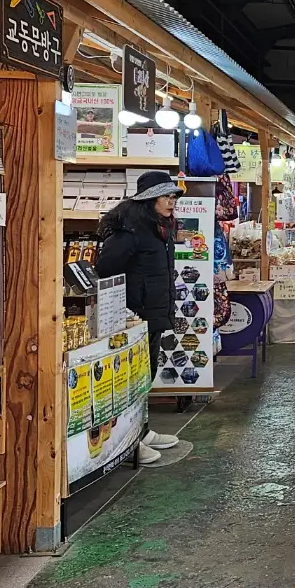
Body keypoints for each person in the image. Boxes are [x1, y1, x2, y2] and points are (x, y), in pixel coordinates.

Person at [97, 171, 183, 465]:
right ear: (149, 199)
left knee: (145, 376)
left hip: (152, 314)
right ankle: (130, 441)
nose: (171, 201)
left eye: (173, 196)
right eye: (166, 196)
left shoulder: (160, 227)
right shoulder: (132, 231)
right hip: (134, 317)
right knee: (132, 381)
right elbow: (105, 266)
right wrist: (131, 301)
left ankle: (142, 431)